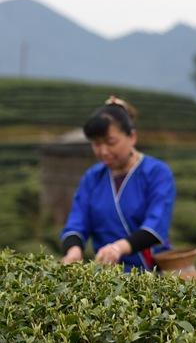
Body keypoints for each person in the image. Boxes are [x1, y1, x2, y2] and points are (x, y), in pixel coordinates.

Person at [60, 97, 175, 271]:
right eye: (96, 144)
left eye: (110, 142)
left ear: (132, 137)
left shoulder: (156, 173)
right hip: (108, 274)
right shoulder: (93, 177)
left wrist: (118, 248)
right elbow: (76, 222)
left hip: (152, 272)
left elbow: (156, 225)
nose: (103, 151)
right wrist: (73, 251)